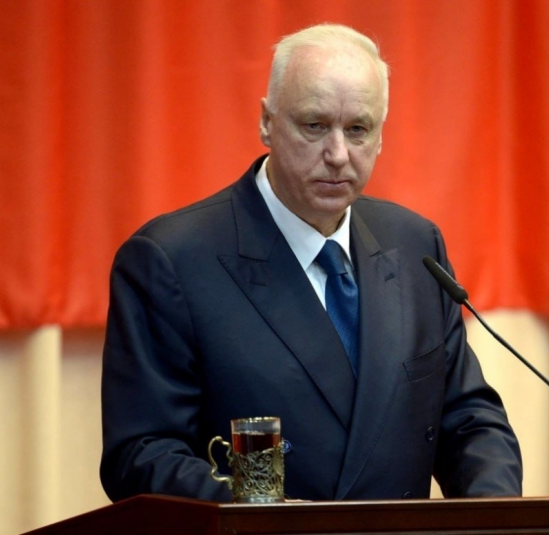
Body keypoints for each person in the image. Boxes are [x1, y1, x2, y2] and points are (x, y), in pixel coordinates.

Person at [100, 23, 522, 502]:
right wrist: (270, 514)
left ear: (381, 137)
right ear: (266, 123)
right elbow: (143, 455)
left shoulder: (414, 246)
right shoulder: (171, 260)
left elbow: (468, 419)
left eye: (357, 130)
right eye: (315, 126)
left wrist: (494, 514)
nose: (338, 155)